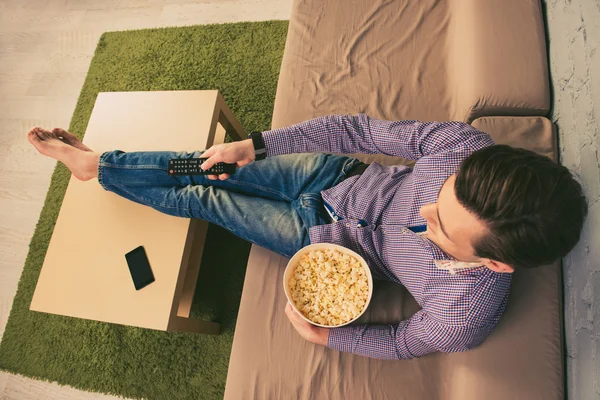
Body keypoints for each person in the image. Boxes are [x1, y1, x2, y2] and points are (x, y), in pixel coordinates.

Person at [26, 114, 588, 360]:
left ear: (494, 266)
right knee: (208, 166)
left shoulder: (463, 316)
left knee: (203, 199)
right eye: (439, 196)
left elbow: (398, 343)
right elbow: (359, 130)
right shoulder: (463, 150)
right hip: (331, 176)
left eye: (439, 228)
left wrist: (328, 339)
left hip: (316, 241)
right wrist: (259, 146)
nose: (422, 212)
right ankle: (99, 163)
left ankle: (95, 168)